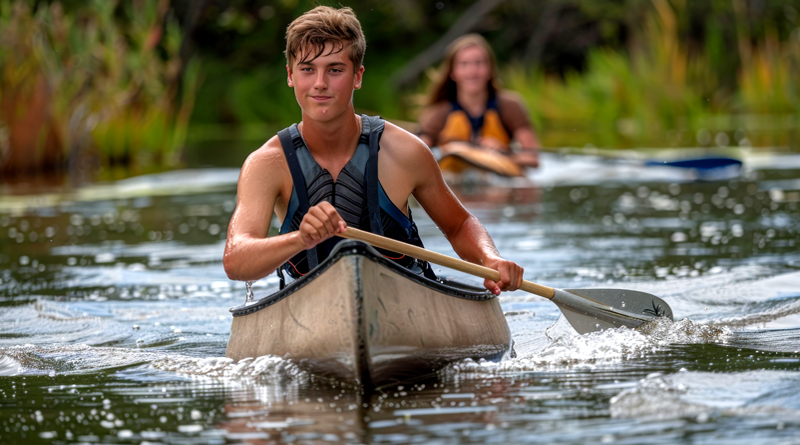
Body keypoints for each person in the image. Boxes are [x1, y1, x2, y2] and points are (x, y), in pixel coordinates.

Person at [223, 6, 523, 295]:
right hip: (309, 310)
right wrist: (301, 238)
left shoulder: (406, 150)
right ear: (291, 76)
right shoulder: (266, 163)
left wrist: (489, 258)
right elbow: (236, 260)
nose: (320, 83)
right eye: (307, 69)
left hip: (406, 301)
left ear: (358, 76)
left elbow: (459, 225)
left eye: (335, 69)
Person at [418, 34, 540, 169]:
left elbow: (532, 159)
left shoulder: (510, 106)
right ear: (452, 73)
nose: (472, 71)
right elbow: (418, 157)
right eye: (464, 64)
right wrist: (452, 149)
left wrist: (503, 154)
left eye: (479, 63)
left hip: (498, 184)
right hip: (453, 184)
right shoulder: (438, 113)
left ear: (490, 70)